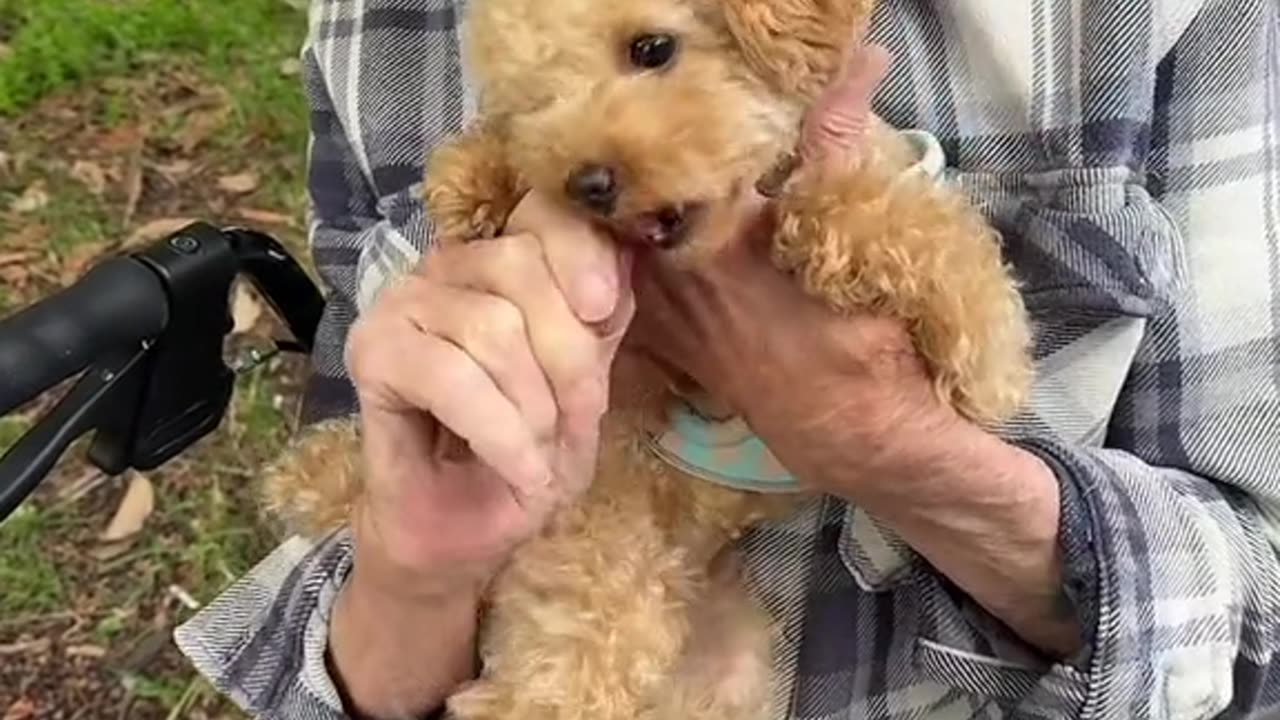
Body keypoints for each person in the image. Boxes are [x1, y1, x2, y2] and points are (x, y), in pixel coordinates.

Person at [174, 0, 1280, 718]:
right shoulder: (376, 25)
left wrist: (889, 442)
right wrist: (415, 573)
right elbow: (355, 617)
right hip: (625, 505)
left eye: (652, 52)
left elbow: (1254, 624)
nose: (593, 162)